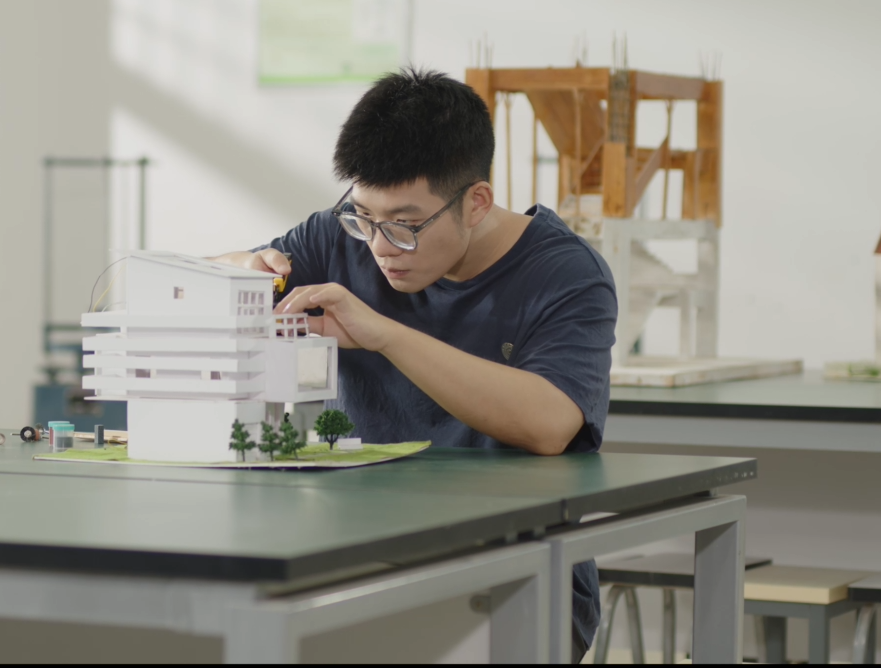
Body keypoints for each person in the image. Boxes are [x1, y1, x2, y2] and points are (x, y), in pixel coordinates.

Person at [211, 67, 617, 660]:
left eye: (404, 226)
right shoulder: (338, 238)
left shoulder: (566, 274)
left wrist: (385, 335)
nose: (379, 247)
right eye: (363, 217)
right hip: (353, 567)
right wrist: (241, 269)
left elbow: (549, 423)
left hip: (515, 578)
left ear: (476, 202)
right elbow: (204, 275)